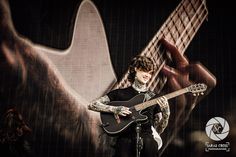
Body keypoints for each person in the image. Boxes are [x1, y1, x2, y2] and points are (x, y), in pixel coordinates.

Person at [88, 55, 170, 157]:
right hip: (124, 142)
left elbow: (159, 129)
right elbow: (92, 105)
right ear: (135, 69)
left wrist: (166, 111)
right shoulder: (119, 93)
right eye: (145, 70)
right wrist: (115, 109)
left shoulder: (154, 97)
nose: (148, 75)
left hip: (148, 142)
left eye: (150, 72)